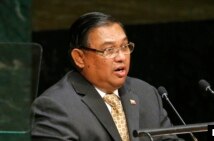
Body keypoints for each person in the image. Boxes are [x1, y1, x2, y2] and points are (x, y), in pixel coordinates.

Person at [31, 12, 184, 141]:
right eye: (109, 50)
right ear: (79, 57)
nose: (121, 57)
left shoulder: (146, 93)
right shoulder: (55, 107)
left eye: (124, 47)